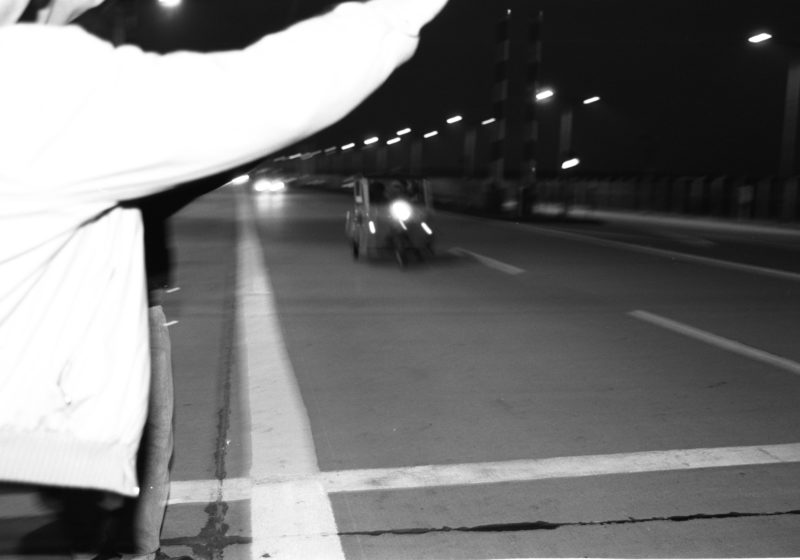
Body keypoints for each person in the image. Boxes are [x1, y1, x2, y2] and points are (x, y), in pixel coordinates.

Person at [0, 0, 449, 557]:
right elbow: (256, 96)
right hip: (90, 340)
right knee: (142, 457)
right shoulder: (30, 78)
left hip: (49, 366)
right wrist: (395, 13)